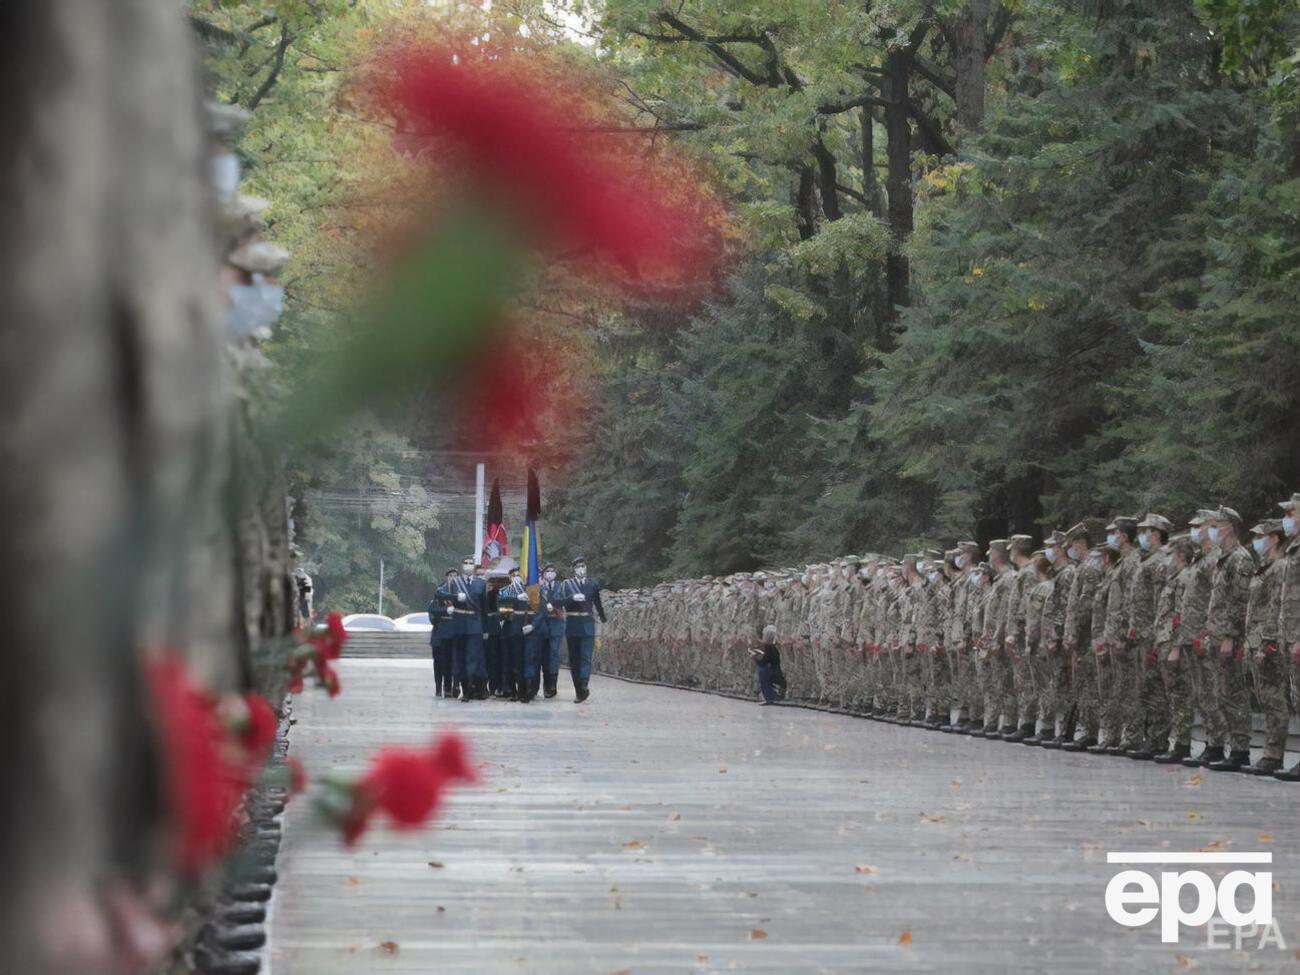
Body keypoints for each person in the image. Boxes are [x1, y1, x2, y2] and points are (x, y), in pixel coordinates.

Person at [561, 556, 606, 702]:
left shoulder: (592, 584)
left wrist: (603, 619)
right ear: (573, 569)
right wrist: (572, 598)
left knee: (586, 656)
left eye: (583, 566)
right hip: (573, 623)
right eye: (578, 566)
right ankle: (578, 690)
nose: (581, 569)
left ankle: (584, 683)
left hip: (587, 623)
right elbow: (558, 601)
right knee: (574, 659)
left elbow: (597, 603)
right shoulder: (567, 585)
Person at [449, 555, 489, 701]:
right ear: (461, 565)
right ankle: (459, 684)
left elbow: (484, 609)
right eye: (465, 563)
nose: (468, 565)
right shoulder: (455, 582)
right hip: (459, 622)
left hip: (474, 623)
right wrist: (455, 599)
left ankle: (468, 690)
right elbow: (449, 600)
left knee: (472, 658)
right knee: (458, 657)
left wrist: (485, 629)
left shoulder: (481, 584)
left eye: (471, 563)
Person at [537, 562, 566, 699]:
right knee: (544, 655)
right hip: (543, 624)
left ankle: (552, 685)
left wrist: (553, 604)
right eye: (547, 571)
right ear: (543, 574)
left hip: (556, 622)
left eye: (552, 570)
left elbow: (565, 599)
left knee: (553, 654)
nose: (550, 573)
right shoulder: (539, 588)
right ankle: (545, 684)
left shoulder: (561, 586)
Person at [428, 568, 457, 698]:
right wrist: (446, 610)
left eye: (455, 576)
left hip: (452, 634)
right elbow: (432, 611)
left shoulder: (459, 595)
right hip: (439, 634)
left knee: (450, 662)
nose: (452, 578)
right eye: (450, 575)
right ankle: (438, 687)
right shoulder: (439, 593)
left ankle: (449, 687)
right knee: (438, 663)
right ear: (446, 577)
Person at [748, 624, 787, 704]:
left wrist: (755, 658)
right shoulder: (773, 647)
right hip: (775, 671)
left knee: (762, 671)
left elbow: (764, 662)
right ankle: (771, 696)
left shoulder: (769, 647)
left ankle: (770, 698)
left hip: (771, 673)